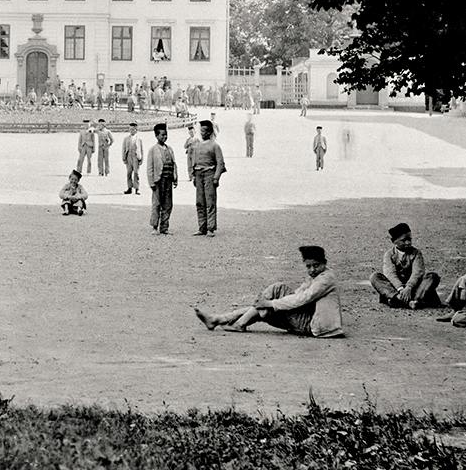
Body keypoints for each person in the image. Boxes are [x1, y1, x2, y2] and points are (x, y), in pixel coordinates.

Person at [194, 245, 344, 337]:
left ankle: (236, 323)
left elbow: (304, 298)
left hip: (316, 326)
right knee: (268, 304)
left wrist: (271, 303)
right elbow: (299, 294)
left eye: (316, 265)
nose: (312, 270)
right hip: (311, 320)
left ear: (325, 263)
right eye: (308, 266)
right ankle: (218, 320)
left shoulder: (326, 279)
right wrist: (269, 304)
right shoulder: (317, 275)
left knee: (274, 294)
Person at [368, 222, 441, 308]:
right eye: (403, 240)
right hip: (397, 289)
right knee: (374, 276)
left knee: (432, 276)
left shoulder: (416, 253)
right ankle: (406, 300)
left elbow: (418, 272)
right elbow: (390, 274)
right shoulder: (389, 254)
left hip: (414, 288)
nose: (408, 243)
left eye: (409, 239)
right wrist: (400, 289)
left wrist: (409, 287)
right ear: (394, 241)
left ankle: (403, 301)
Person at [189, 120, 226, 237]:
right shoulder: (197, 145)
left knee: (210, 202)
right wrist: (194, 175)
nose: (202, 133)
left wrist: (216, 178)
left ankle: (210, 228)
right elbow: (194, 162)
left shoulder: (215, 146)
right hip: (199, 175)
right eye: (201, 131)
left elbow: (220, 163)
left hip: (210, 175)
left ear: (210, 132)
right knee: (200, 202)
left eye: (205, 131)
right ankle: (202, 227)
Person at [147, 122, 178, 234]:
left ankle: (164, 227)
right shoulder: (153, 150)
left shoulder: (170, 149)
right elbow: (149, 168)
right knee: (157, 204)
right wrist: (151, 183)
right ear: (156, 136)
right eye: (162, 135)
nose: (164, 137)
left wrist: (175, 178)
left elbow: (174, 164)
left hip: (168, 180)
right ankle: (155, 226)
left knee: (168, 204)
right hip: (158, 181)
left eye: (166, 134)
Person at [121, 121, 144, 195]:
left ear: (136, 130)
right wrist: (124, 158)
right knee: (129, 173)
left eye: (133, 129)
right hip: (128, 157)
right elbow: (124, 149)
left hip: (136, 157)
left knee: (136, 173)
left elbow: (141, 149)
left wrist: (141, 159)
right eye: (130, 129)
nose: (131, 131)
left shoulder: (139, 139)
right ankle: (129, 188)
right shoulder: (126, 138)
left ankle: (137, 188)